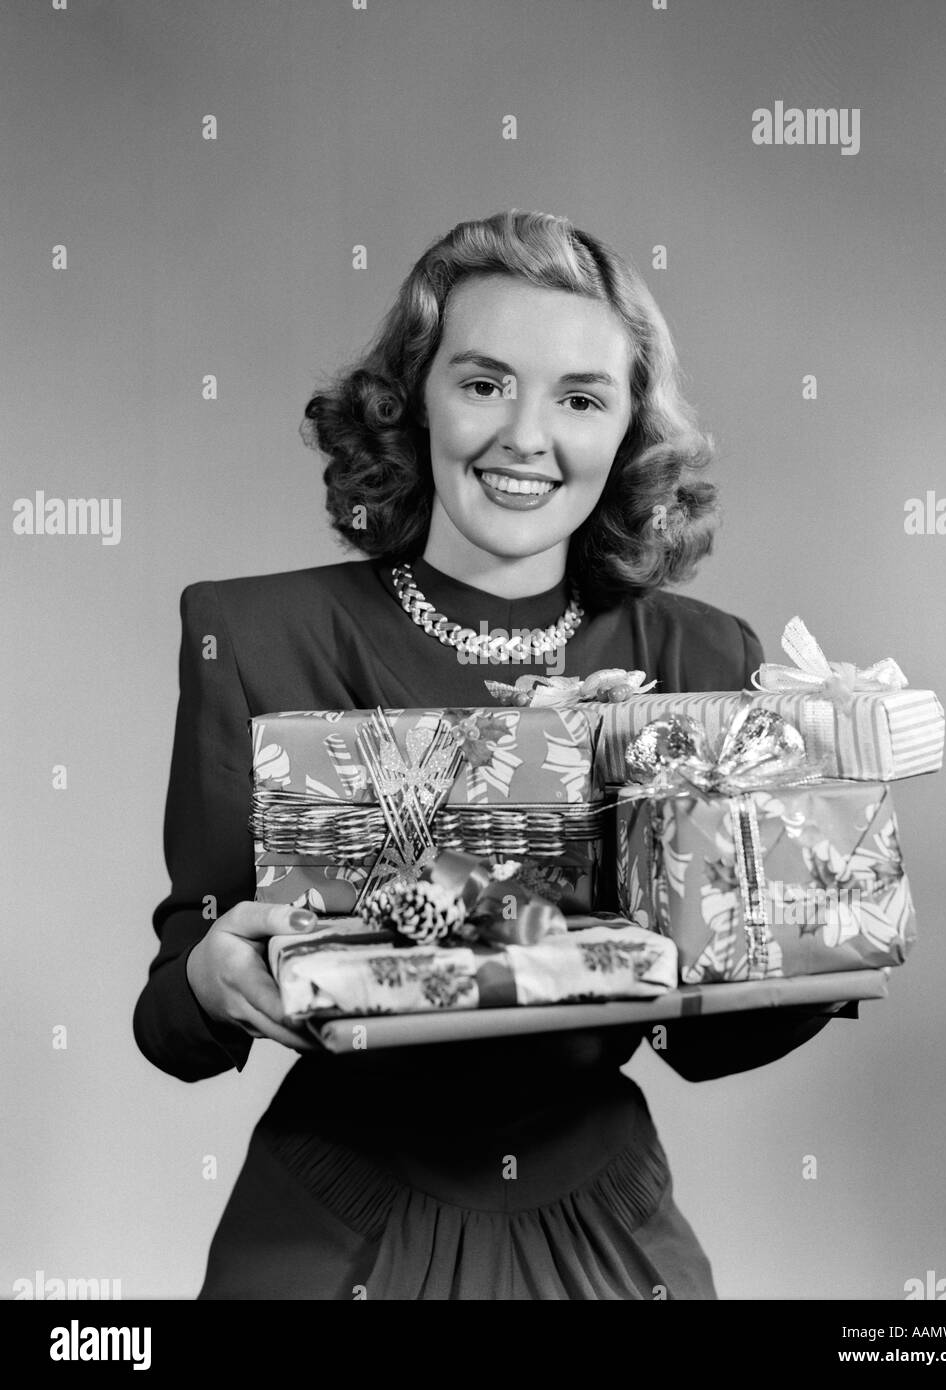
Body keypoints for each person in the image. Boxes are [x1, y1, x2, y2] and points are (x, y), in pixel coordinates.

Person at [133, 209, 845, 1300]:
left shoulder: (699, 654)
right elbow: (174, 1015)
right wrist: (210, 975)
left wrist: (817, 918)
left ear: (625, 431)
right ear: (413, 399)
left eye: (578, 398)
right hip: (336, 1226)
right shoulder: (259, 638)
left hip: (604, 1218)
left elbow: (705, 1042)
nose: (527, 435)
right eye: (483, 383)